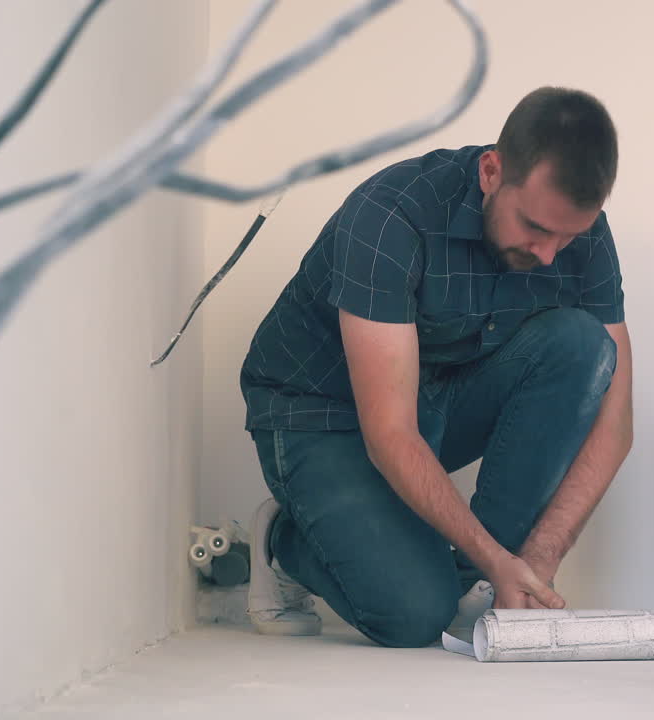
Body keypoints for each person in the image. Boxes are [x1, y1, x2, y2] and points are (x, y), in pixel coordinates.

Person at [240, 87, 633, 648]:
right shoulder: (388, 217)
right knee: (412, 618)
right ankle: (283, 537)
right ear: (492, 171)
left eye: (568, 236)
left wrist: (535, 560)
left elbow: (615, 424)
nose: (550, 254)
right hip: (319, 416)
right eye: (536, 229)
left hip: (424, 402)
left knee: (584, 346)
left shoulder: (580, 234)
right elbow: (390, 433)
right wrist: (498, 555)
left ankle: (477, 587)